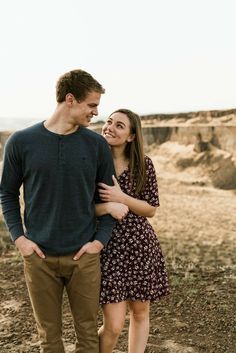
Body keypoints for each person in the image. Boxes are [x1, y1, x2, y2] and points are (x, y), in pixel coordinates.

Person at [0, 69, 127, 353]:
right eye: (91, 105)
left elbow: (106, 197)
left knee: (86, 335)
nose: (96, 112)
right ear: (70, 99)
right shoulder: (21, 142)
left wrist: (99, 242)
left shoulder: (96, 145)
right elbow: (7, 193)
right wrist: (20, 239)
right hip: (39, 257)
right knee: (49, 339)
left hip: (84, 256)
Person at [95, 109, 169, 353]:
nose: (110, 127)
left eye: (119, 125)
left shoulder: (144, 164)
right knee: (114, 325)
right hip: (107, 247)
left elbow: (150, 209)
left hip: (140, 246)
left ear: (131, 137)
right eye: (108, 122)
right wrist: (108, 205)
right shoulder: (93, 161)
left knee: (140, 312)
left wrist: (121, 197)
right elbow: (80, 209)